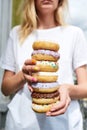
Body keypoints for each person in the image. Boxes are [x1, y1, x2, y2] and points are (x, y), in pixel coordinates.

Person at [0, 0, 87, 130]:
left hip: (65, 124)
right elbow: (5, 89)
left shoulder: (74, 34)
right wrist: (23, 76)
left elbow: (85, 87)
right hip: (20, 124)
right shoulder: (17, 33)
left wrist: (67, 89)